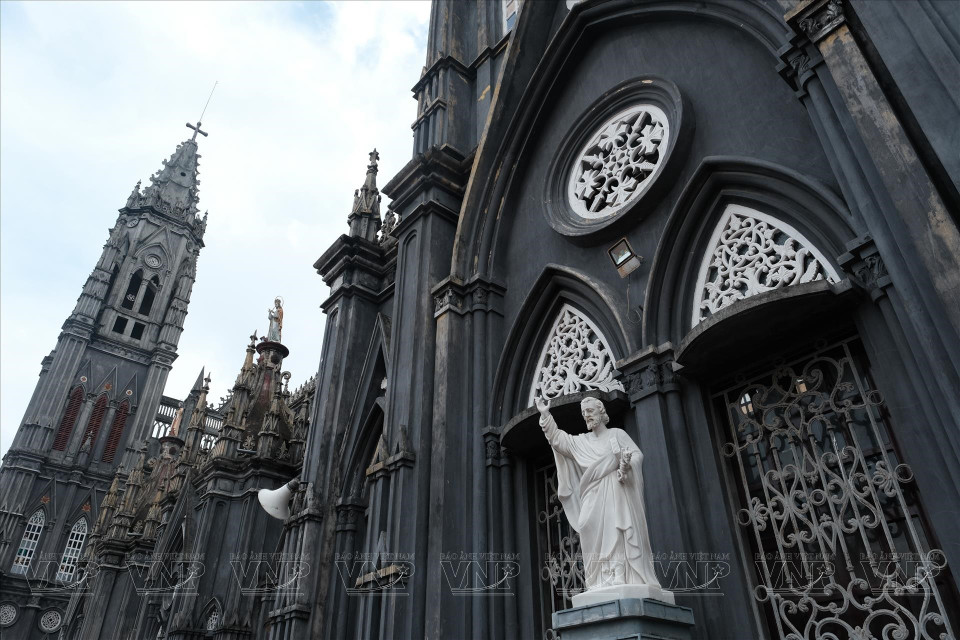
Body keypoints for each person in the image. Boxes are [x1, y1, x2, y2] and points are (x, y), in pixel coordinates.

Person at [535, 395, 665, 599]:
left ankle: (620, 575)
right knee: (587, 526)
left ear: (601, 412)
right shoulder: (582, 441)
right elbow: (558, 439)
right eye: (584, 413)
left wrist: (627, 464)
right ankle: (599, 579)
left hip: (615, 492)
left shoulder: (617, 435)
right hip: (592, 495)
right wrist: (545, 415)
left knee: (617, 530)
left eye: (590, 411)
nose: (587, 416)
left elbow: (637, 455)